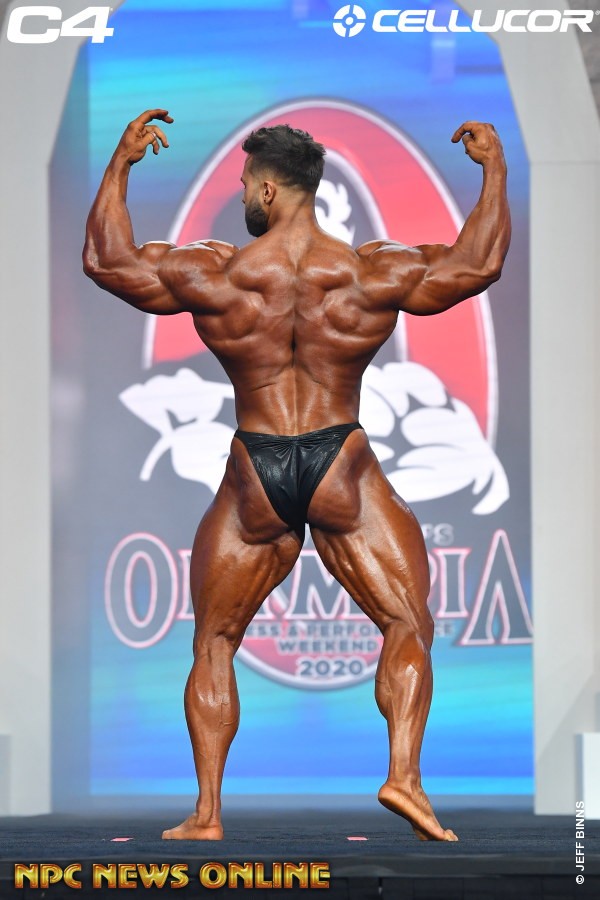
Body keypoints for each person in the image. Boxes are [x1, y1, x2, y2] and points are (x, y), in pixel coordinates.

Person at [83, 109, 510, 842]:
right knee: (406, 622)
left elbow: (107, 261)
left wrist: (121, 165)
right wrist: (493, 167)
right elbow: (477, 265)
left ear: (270, 190)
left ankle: (207, 814)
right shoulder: (370, 270)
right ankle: (404, 777)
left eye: (246, 183)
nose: (242, 195)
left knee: (215, 640)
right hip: (340, 460)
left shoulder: (217, 271)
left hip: (255, 467)